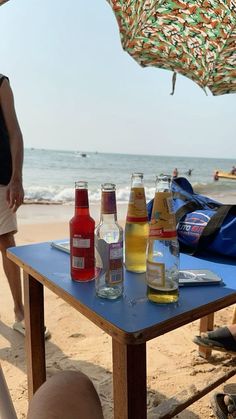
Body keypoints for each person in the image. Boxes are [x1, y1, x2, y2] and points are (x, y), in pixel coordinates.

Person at [0, 74, 50, 337]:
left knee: (5, 240)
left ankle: (20, 313)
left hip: (0, 178)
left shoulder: (0, 82)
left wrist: (16, 178)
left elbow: (14, 132)